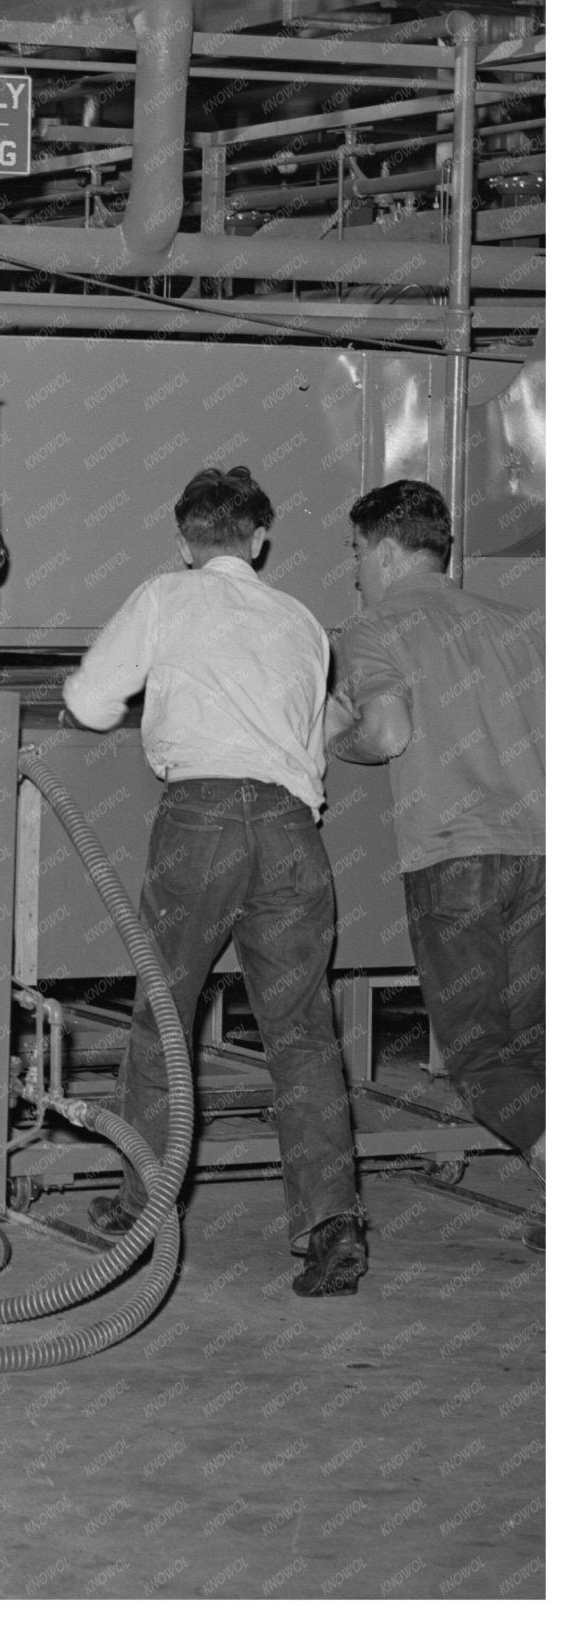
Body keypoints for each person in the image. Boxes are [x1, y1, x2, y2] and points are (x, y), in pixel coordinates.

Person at [62, 465, 366, 1296]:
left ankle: (143, 1207)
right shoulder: (304, 620)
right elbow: (313, 741)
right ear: (260, 540)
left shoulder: (165, 596)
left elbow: (91, 704)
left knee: (166, 1016)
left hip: (199, 823)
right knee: (302, 1034)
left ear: (184, 540)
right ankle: (329, 1222)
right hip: (294, 831)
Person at [327, 480, 544, 1219]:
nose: (354, 569)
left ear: (386, 550)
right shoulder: (524, 625)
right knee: (542, 1049)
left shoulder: (376, 625)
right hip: (546, 855)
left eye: (356, 552)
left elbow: (387, 733)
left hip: (457, 858)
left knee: (480, 1057)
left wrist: (335, 739)